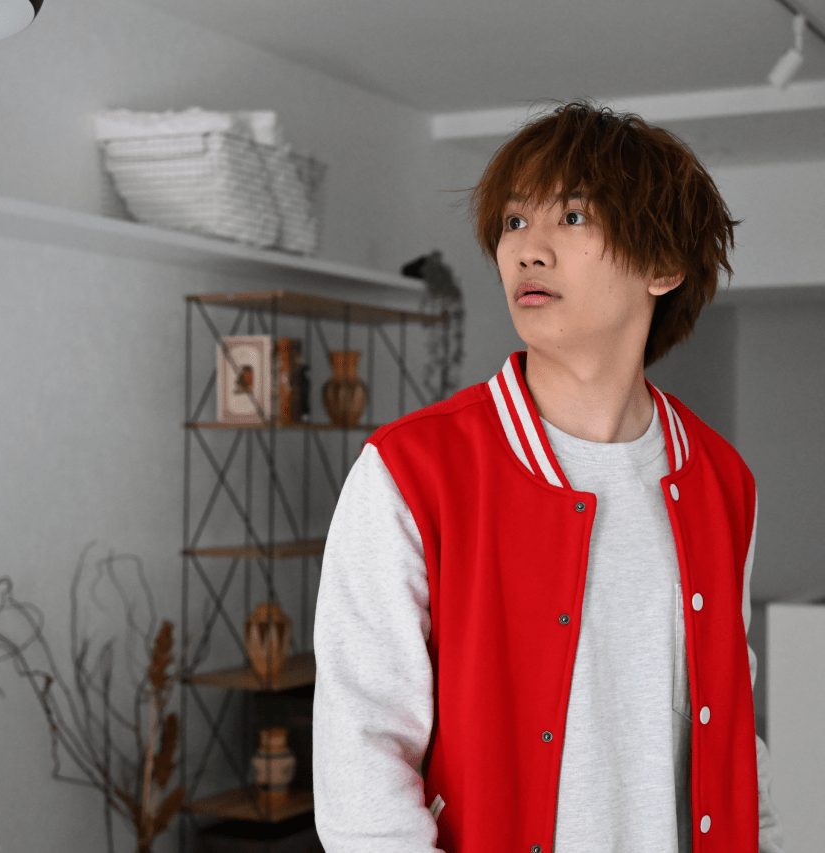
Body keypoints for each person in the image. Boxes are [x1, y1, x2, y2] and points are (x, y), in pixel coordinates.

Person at [313, 100, 784, 853]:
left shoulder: (723, 483)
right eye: (511, 222)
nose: (527, 249)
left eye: (571, 218)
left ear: (664, 265)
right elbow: (363, 763)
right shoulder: (412, 473)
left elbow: (728, 723)